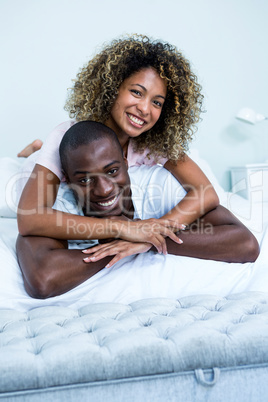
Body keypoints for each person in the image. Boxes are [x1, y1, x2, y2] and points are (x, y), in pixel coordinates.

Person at [17, 34, 219, 256]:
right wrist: (125, 228)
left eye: (157, 102)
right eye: (136, 92)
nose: (144, 108)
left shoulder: (153, 143)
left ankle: (36, 147)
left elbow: (206, 193)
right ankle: (33, 150)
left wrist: (153, 233)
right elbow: (29, 217)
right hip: (45, 158)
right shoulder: (65, 136)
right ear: (112, 89)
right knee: (28, 163)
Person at [16, 121, 259, 299]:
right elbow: (43, 279)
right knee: (24, 166)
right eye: (85, 180)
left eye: (112, 171)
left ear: (126, 162)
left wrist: (148, 239)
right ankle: (32, 151)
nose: (103, 190)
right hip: (39, 166)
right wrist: (123, 233)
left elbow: (245, 244)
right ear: (68, 180)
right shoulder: (58, 202)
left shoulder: (158, 183)